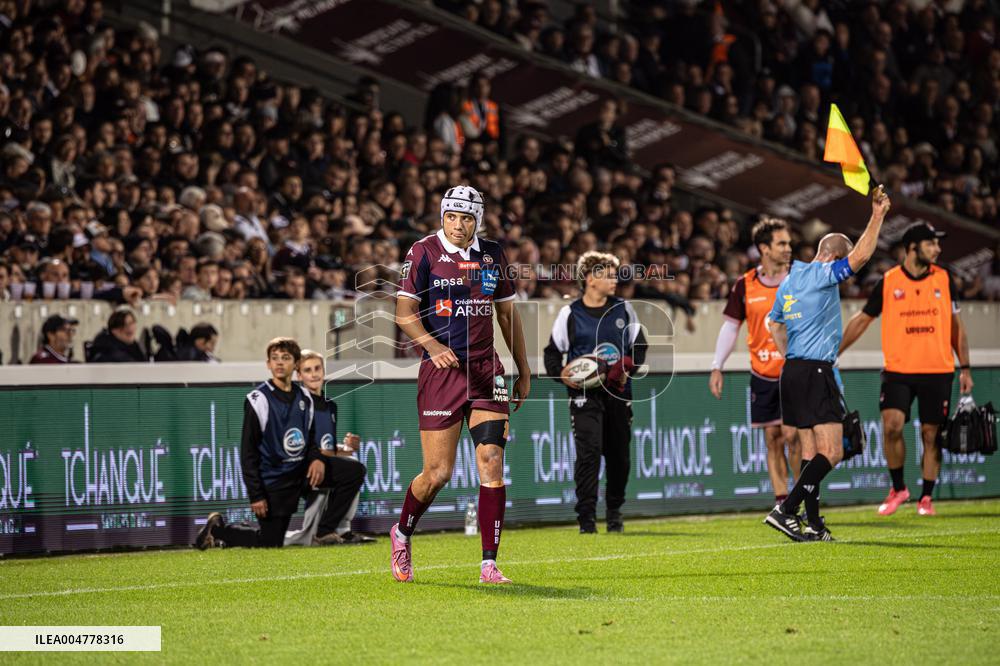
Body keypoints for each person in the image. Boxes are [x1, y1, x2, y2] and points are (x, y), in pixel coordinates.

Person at [391, 184, 530, 584]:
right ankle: (402, 533)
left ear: (477, 221)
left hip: (487, 370)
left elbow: (507, 315)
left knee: (492, 461)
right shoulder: (423, 251)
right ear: (442, 217)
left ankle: (489, 564)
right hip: (443, 372)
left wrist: (523, 369)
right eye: (451, 216)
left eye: (466, 218)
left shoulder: (492, 255)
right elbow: (404, 312)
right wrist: (432, 346)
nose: (457, 224)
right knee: (437, 473)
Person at [764, 185, 891, 542]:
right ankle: (785, 510)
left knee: (810, 452)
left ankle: (815, 525)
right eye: (841, 261)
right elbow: (861, 257)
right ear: (833, 256)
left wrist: (792, 353)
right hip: (816, 370)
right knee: (833, 451)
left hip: (792, 371)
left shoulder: (789, 281)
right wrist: (877, 215)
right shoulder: (823, 274)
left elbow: (773, 324)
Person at [838, 222, 973, 517]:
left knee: (931, 434)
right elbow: (862, 320)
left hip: (938, 369)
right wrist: (834, 351)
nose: (937, 249)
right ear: (913, 247)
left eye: (937, 244)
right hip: (898, 370)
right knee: (892, 426)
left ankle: (926, 497)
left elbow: (956, 327)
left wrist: (965, 367)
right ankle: (899, 488)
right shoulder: (889, 281)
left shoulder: (944, 279)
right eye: (931, 243)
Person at [195, 338, 366, 549]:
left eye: (285, 358)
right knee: (270, 542)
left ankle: (324, 531)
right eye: (274, 358)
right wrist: (256, 495)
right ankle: (218, 531)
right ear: (268, 364)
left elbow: (311, 438)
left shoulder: (305, 397)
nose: (279, 362)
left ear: (295, 364)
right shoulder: (258, 400)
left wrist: (317, 459)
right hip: (275, 480)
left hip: (301, 472)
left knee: (353, 470)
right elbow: (248, 452)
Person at [543, 251, 646, 534]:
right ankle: (586, 519)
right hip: (584, 397)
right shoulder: (570, 313)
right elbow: (552, 354)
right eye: (609, 276)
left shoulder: (624, 309)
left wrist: (626, 367)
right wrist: (562, 375)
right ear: (590, 279)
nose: (615, 280)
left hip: (618, 394)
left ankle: (614, 512)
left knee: (619, 456)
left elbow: (639, 347)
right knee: (588, 454)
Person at [710, 219, 801, 509]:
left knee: (793, 436)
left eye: (789, 243)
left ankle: (802, 497)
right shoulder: (745, 284)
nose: (788, 248)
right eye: (781, 243)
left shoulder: (799, 278)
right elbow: (731, 327)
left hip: (795, 371)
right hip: (762, 373)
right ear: (764, 248)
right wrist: (717, 365)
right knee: (773, 438)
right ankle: (782, 502)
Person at [283, 349, 375, 546]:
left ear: (324, 371)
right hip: (299, 467)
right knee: (353, 470)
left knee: (352, 463)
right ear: (299, 376)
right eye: (307, 370)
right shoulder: (297, 404)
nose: (314, 374)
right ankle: (326, 530)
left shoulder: (329, 405)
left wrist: (347, 447)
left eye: (317, 368)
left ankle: (341, 529)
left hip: (320, 463)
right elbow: (296, 444)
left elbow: (326, 447)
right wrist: (318, 458)